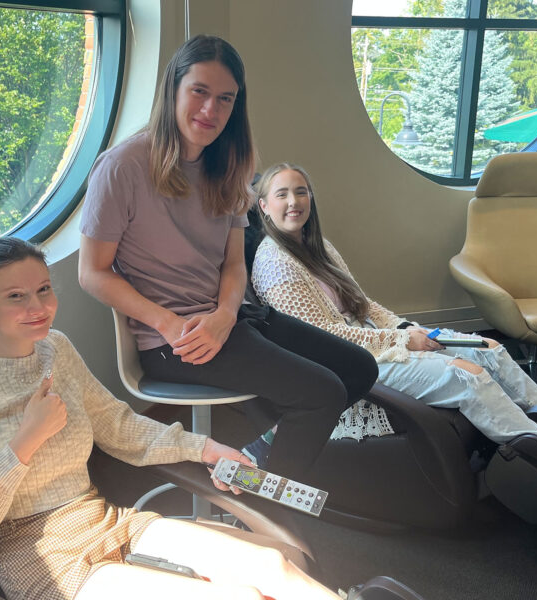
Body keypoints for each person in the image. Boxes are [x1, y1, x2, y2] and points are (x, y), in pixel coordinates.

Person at [0, 236, 347, 600]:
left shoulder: (56, 350)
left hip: (106, 521)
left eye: (44, 290)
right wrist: (24, 442)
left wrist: (205, 447)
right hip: (38, 558)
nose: (38, 307)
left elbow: (117, 425)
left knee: (271, 566)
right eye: (16, 296)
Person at [251, 162, 537, 520]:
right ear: (265, 206)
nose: (294, 202)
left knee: (491, 351)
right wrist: (402, 342)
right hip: (350, 363)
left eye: (300, 192)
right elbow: (324, 338)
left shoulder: (318, 245)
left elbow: (363, 303)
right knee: (468, 376)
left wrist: (407, 328)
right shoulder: (274, 262)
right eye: (282, 194)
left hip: (380, 340)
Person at [78, 35, 377, 478]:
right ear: (173, 90)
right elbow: (92, 273)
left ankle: (255, 459)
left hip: (230, 319)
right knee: (322, 393)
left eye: (225, 99)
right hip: (173, 341)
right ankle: (269, 515)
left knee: (359, 368)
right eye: (199, 91)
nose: (210, 111)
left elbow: (234, 265)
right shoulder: (122, 166)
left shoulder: (231, 165)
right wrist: (168, 322)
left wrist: (224, 314)